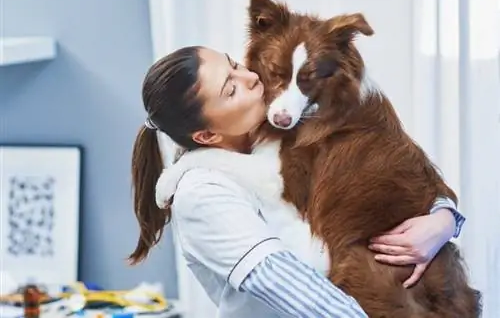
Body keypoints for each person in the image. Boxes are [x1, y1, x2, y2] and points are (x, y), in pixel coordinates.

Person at [129, 46, 465, 318]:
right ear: (206, 134)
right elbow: (297, 291)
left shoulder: (286, 126)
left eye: (235, 64)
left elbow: (397, 170)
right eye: (231, 89)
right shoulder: (201, 193)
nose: (251, 77)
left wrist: (443, 221)